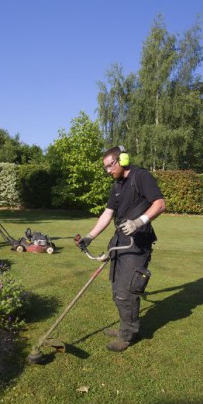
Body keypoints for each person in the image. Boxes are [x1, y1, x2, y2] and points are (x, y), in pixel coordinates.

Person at [78, 146, 165, 352]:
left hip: (137, 243)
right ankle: (126, 327)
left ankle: (128, 335)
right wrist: (90, 236)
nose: (108, 171)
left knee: (126, 291)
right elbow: (107, 214)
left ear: (122, 160)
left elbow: (160, 204)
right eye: (105, 168)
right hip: (120, 241)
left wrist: (138, 222)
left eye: (110, 166)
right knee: (117, 289)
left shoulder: (140, 176)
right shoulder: (117, 185)